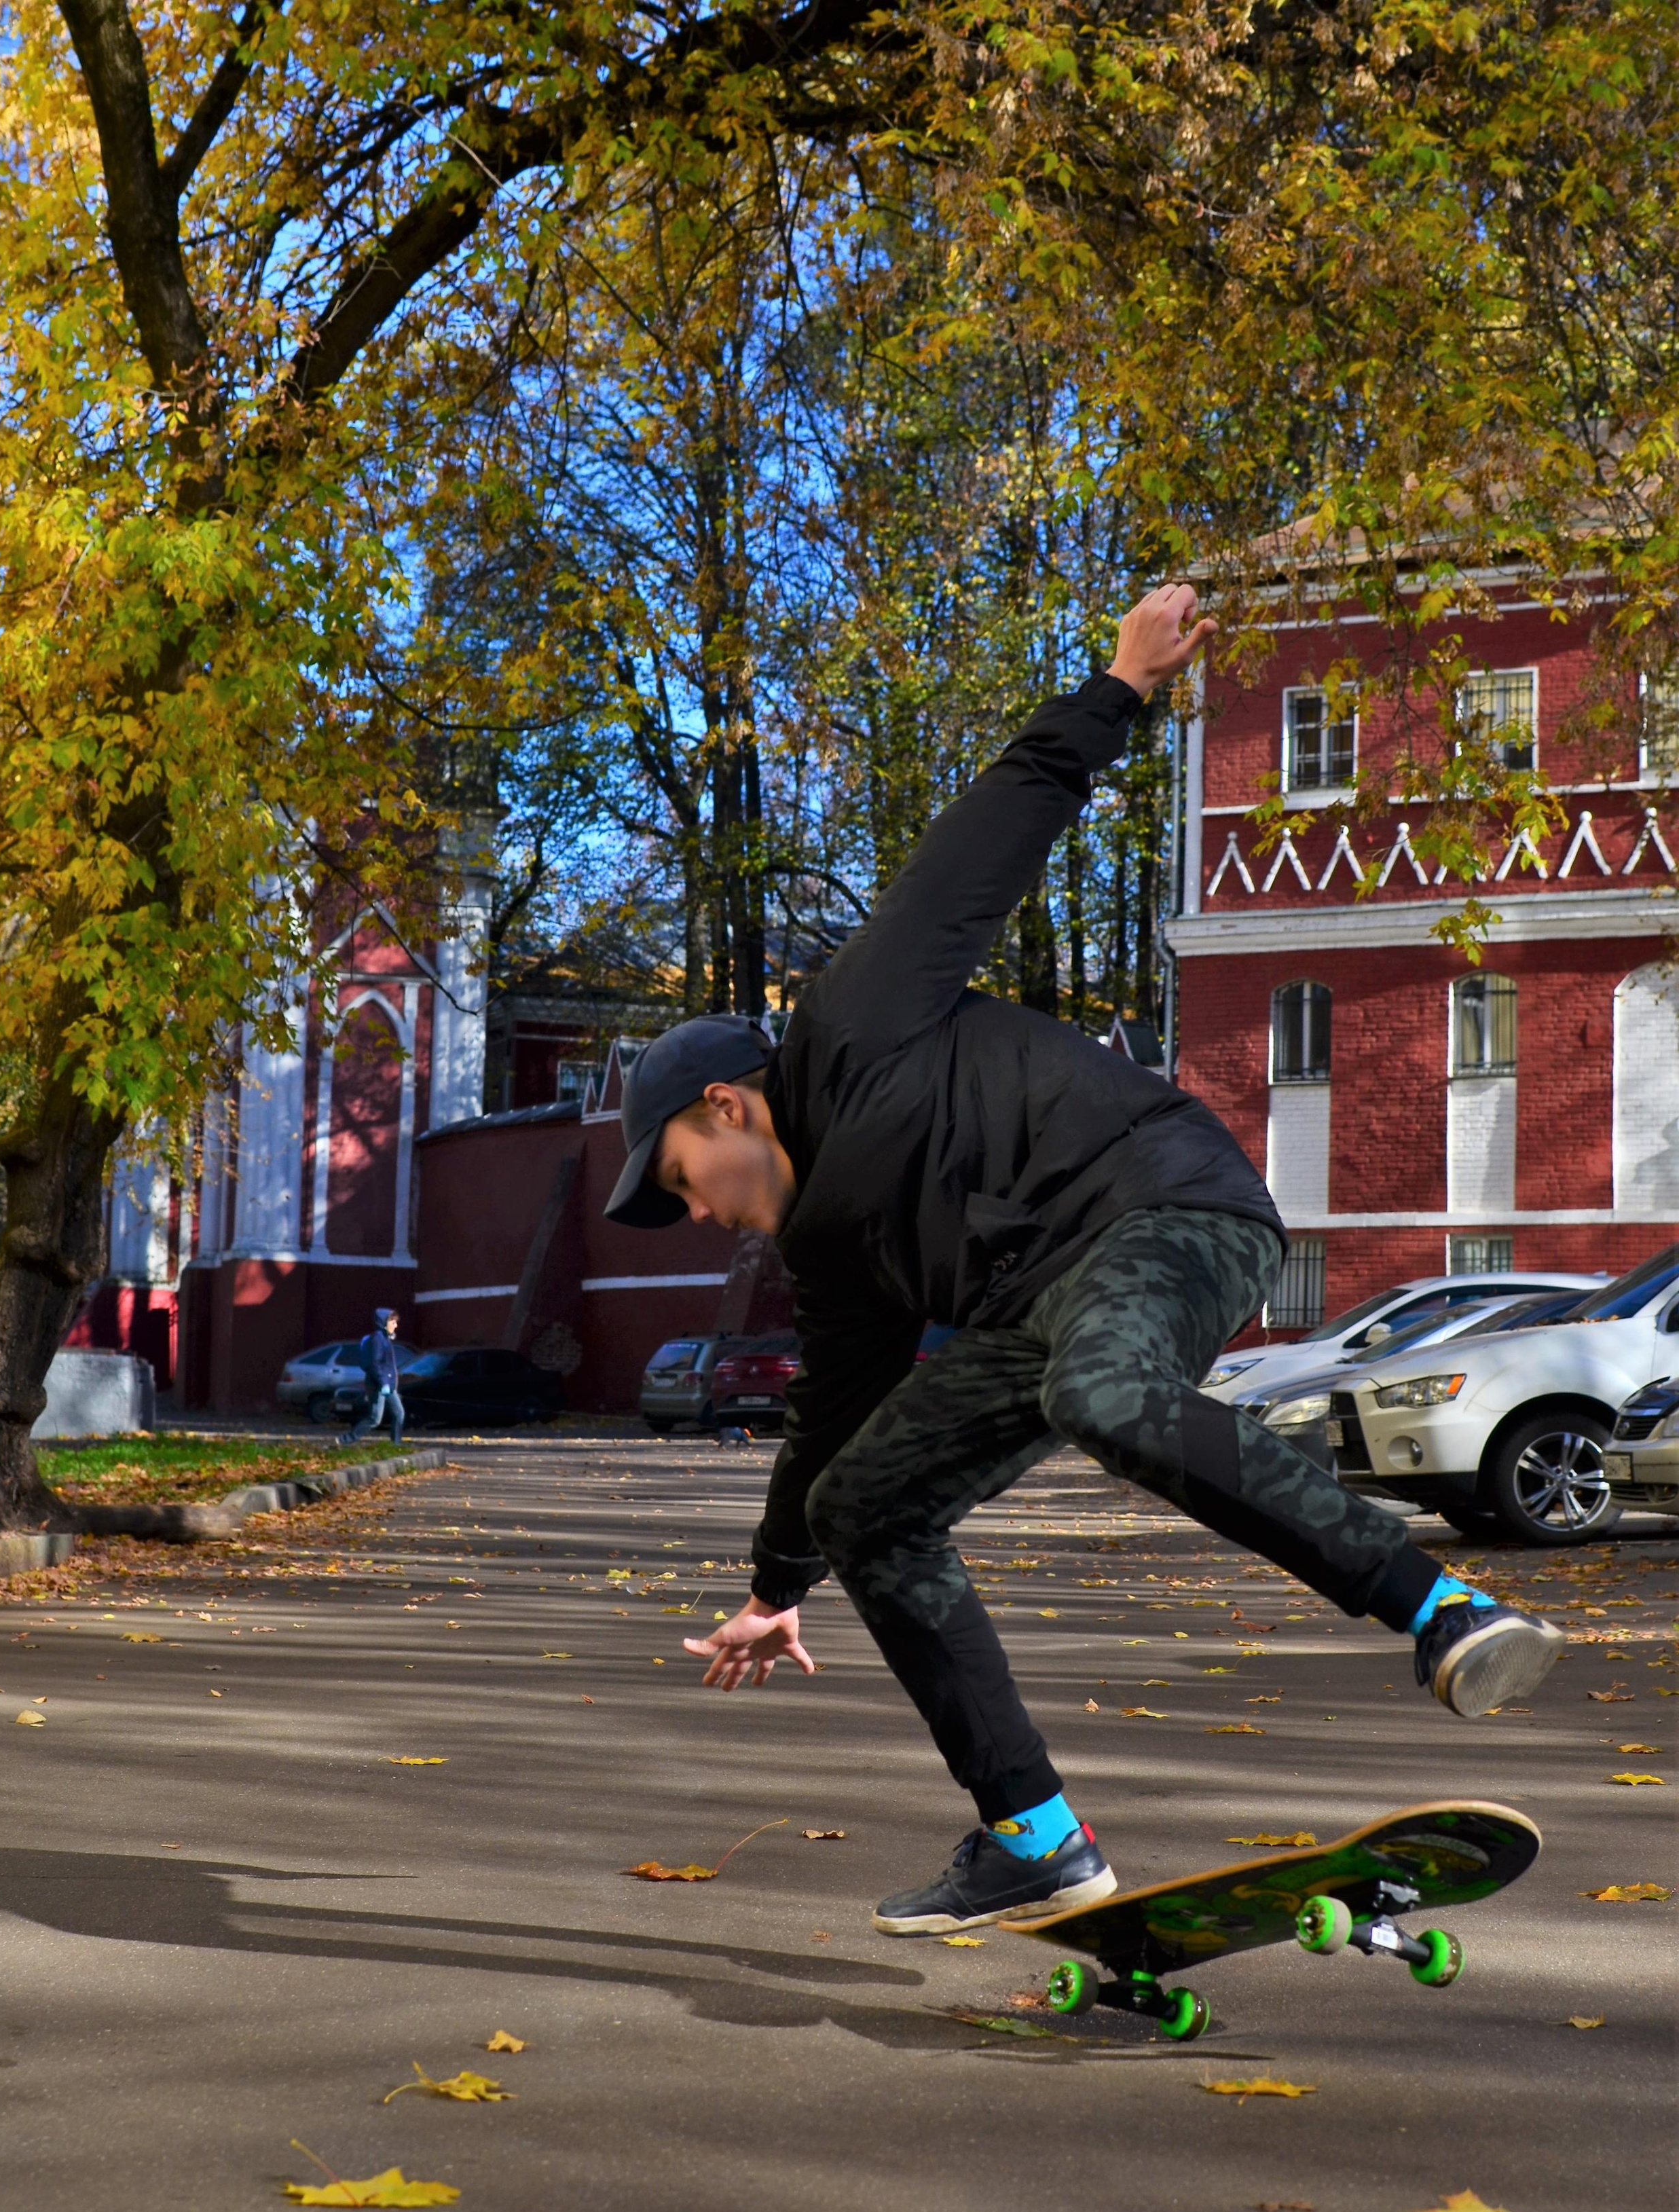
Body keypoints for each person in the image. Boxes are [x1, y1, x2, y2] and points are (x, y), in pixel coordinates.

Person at [604, 584, 1563, 1936]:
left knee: (1102, 1389)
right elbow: (827, 1425)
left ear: (724, 1110)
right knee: (866, 1501)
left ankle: (1438, 1605)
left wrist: (1117, 686)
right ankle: (1032, 1837)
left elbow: (993, 831)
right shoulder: (829, 1255)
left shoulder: (855, 1016)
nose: (697, 1216)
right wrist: (772, 1587)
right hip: (1029, 1316)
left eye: (680, 1188)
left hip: (1165, 1212)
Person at [344, 1307, 406, 1447]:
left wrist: (390, 1384)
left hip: (387, 1385)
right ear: (384, 1323)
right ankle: (345, 1440)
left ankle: (396, 1445)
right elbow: (375, 1364)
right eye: (393, 1322)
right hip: (378, 1385)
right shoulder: (378, 1339)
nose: (396, 1325)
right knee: (374, 1419)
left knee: (399, 1413)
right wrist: (384, 1383)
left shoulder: (385, 1339)